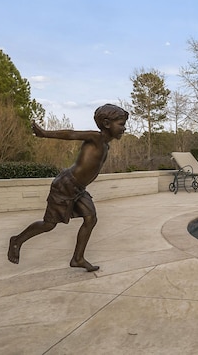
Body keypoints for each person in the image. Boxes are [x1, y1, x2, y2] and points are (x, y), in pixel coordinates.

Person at [7, 104, 129, 272]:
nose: (124, 128)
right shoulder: (96, 138)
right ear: (107, 123)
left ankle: (77, 258)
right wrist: (44, 134)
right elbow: (71, 134)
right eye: (121, 124)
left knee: (90, 218)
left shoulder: (106, 145)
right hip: (65, 186)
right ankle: (17, 240)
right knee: (49, 224)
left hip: (78, 189)